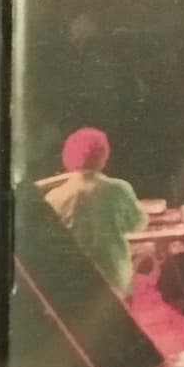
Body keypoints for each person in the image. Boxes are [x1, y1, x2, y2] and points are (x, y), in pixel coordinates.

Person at [42, 126, 147, 300]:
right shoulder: (118, 188)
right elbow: (137, 224)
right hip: (115, 278)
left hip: (75, 280)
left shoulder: (53, 197)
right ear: (104, 155)